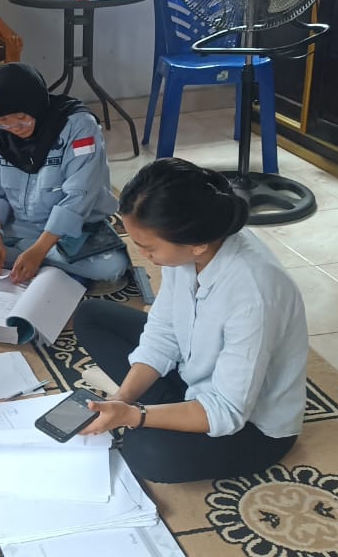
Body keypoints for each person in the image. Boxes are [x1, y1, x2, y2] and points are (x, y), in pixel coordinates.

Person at [72, 158, 307, 483]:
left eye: (148, 248)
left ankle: (170, 412)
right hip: (193, 374)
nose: (144, 256)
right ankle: (171, 409)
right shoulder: (189, 247)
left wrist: (136, 416)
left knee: (146, 452)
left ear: (197, 244)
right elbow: (163, 332)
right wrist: (122, 398)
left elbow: (228, 410)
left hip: (252, 424)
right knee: (91, 317)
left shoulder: (253, 294)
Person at [0, 62, 129, 289]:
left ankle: (31, 257)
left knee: (111, 268)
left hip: (75, 230)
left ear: (36, 105)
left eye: (21, 117)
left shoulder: (79, 126)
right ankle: (47, 262)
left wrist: (39, 251)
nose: (15, 128)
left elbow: (81, 194)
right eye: (4, 121)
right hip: (21, 225)